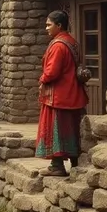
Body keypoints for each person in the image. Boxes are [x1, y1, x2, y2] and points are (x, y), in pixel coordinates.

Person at [36, 10, 89, 177]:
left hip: (58, 96)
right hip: (73, 94)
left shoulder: (58, 45)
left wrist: (42, 79)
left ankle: (57, 165)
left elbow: (52, 72)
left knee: (55, 129)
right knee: (72, 129)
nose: (46, 28)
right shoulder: (73, 42)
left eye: (49, 24)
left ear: (59, 25)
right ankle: (75, 163)